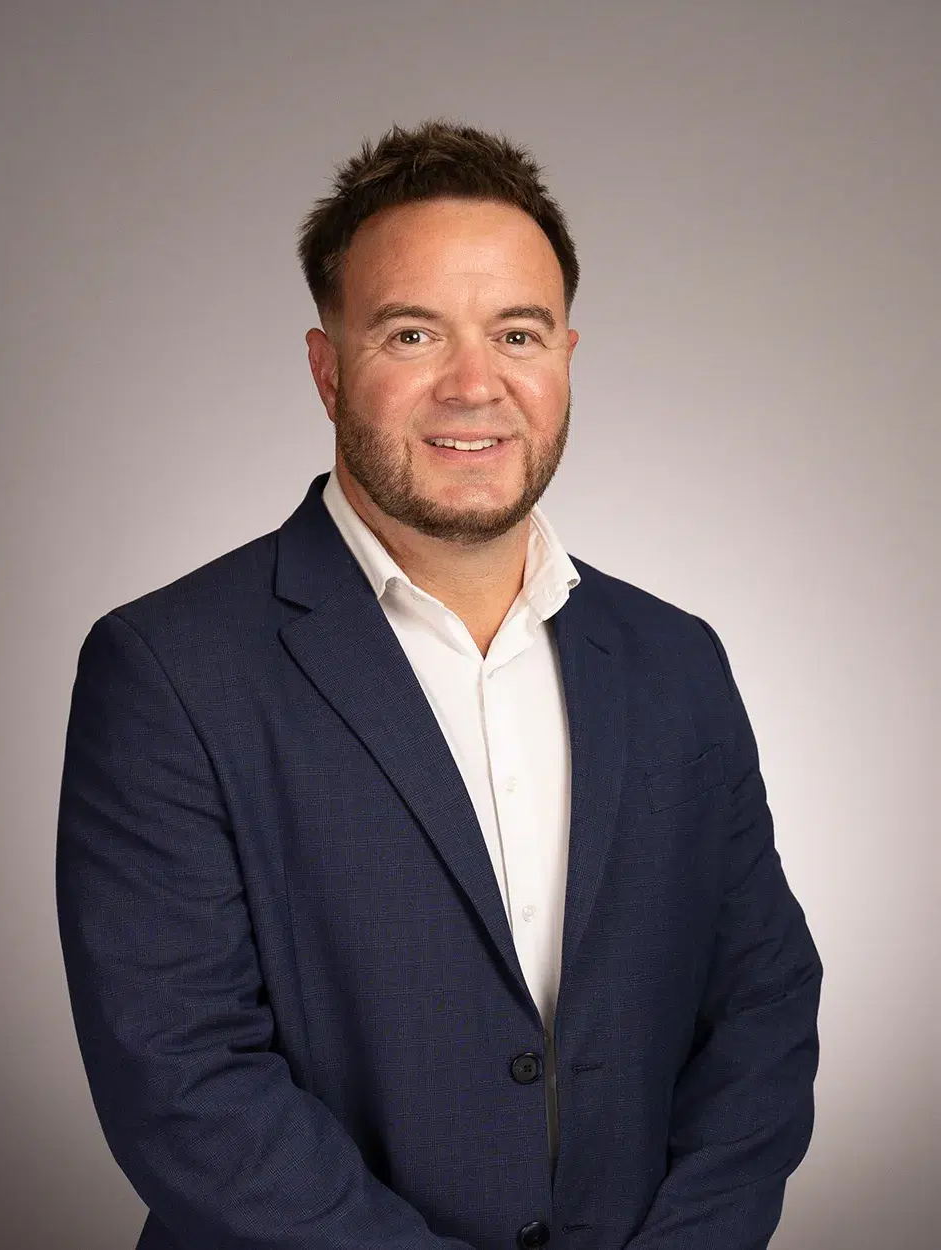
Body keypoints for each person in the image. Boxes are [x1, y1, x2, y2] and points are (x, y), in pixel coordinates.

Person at [56, 119, 822, 1250]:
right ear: (327, 369)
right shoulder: (168, 669)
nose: (476, 384)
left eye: (517, 332)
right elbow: (184, 1078)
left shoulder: (676, 660)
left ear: (565, 354)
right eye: (411, 332)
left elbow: (759, 1004)